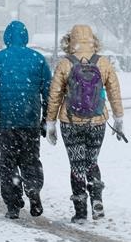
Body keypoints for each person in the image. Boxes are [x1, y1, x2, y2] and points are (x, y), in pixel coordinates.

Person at [45, 24, 124, 223]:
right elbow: (114, 91)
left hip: (70, 122)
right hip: (97, 121)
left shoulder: (65, 64)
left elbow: (54, 95)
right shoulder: (103, 63)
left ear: (70, 40)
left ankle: (80, 211)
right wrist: (119, 118)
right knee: (92, 162)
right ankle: (97, 200)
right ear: (93, 39)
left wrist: (50, 123)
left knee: (77, 165)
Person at [0, 20, 52, 219]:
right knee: (30, 159)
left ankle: (13, 204)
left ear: (6, 37)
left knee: (8, 162)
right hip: (30, 121)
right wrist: (46, 119)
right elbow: (49, 93)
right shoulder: (38, 59)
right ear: (25, 37)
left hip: (6, 122)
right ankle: (33, 190)